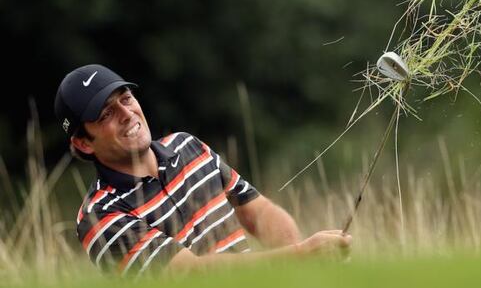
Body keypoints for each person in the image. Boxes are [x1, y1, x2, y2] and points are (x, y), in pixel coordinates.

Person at [54, 64, 351, 275]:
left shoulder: (187, 147)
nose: (126, 114)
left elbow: (258, 212)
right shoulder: (100, 217)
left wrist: (300, 273)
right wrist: (301, 256)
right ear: (83, 143)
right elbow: (192, 276)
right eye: (106, 113)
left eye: (126, 99)